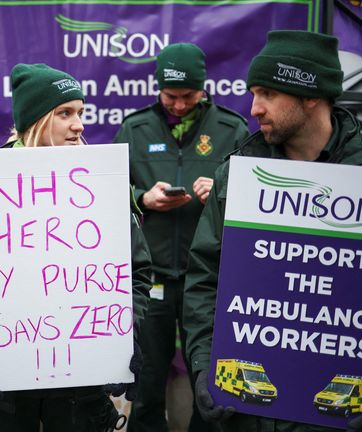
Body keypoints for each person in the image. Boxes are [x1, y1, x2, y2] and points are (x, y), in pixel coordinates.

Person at [183, 30, 362, 432]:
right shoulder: (238, 177)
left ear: (311, 95)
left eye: (267, 93)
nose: (254, 108)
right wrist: (201, 368)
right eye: (253, 93)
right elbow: (205, 282)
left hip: (343, 418)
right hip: (245, 414)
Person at [0, 63, 153, 431]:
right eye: (65, 113)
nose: (78, 124)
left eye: (81, 112)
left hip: (81, 388)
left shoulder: (104, 182)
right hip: (4, 389)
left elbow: (138, 274)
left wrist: (124, 338)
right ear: (36, 120)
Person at [113, 42, 248, 432]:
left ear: (203, 88)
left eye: (188, 95)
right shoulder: (135, 127)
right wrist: (143, 198)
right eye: (170, 96)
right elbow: (108, 190)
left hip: (206, 278)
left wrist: (222, 189)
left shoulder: (230, 128)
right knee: (146, 372)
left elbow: (253, 197)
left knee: (206, 372)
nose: (178, 104)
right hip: (149, 275)